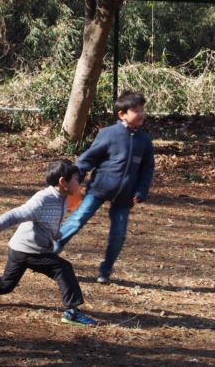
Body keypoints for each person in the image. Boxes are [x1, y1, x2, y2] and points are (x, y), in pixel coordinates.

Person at [0, 160, 96, 327]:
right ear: (62, 182)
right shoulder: (43, 199)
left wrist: (55, 233)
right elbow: (20, 213)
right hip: (28, 250)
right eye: (75, 179)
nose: (79, 182)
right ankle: (72, 312)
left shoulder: (63, 198)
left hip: (22, 248)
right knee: (63, 268)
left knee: (5, 285)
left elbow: (48, 221)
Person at [55, 90, 155, 284]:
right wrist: (75, 178)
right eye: (136, 110)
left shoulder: (144, 141)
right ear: (122, 114)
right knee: (78, 219)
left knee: (118, 234)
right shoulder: (108, 134)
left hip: (125, 196)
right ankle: (52, 248)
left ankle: (105, 271)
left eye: (142, 109)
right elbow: (88, 158)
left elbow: (147, 168)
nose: (141, 114)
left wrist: (141, 190)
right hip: (99, 189)